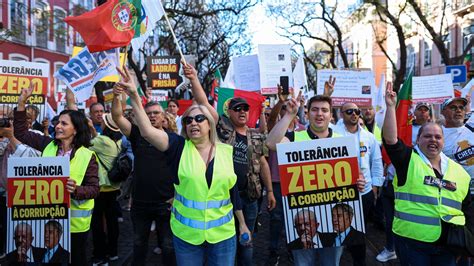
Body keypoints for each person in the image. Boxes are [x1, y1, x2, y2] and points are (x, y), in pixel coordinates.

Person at [113, 65, 251, 266]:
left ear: (210, 123)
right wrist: (134, 95)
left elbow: (232, 193)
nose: (193, 122)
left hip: (223, 236)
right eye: (188, 120)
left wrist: (243, 225)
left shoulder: (225, 148)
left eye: (199, 118)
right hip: (187, 236)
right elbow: (147, 132)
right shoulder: (177, 146)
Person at [184, 64, 276, 266]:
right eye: (237, 108)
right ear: (229, 112)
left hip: (250, 197)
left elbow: (262, 162)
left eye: (245, 109)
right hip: (224, 198)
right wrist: (194, 79)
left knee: (246, 240)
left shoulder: (254, 134)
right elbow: (202, 102)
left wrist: (269, 191)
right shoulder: (221, 128)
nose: (242, 111)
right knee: (223, 242)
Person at [266, 90, 366, 266]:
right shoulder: (295, 137)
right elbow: (270, 143)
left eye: (324, 110)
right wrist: (289, 114)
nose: (319, 114)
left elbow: (356, 173)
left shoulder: (342, 140)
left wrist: (359, 181)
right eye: (315, 109)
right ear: (307, 113)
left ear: (331, 115)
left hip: (333, 222)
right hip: (302, 219)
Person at [382, 82, 474, 265]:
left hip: (448, 245)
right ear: (418, 140)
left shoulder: (459, 172)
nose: (433, 140)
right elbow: (391, 140)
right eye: (427, 136)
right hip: (413, 245)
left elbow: (467, 210)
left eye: (438, 137)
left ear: (443, 141)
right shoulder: (408, 160)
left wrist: (466, 241)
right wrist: (391, 107)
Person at [14, 86, 99, 266]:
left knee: (76, 261)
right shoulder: (47, 144)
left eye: (63, 123)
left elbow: (94, 189)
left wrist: (76, 190)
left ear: (75, 129)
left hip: (75, 227)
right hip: (46, 220)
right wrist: (21, 103)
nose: (57, 126)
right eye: (58, 122)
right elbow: (20, 133)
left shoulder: (88, 156)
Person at [112, 85, 176, 265]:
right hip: (140, 203)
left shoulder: (173, 139)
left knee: (168, 246)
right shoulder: (136, 134)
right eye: (148, 113)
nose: (153, 116)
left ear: (164, 117)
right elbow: (117, 117)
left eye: (156, 113)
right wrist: (116, 97)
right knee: (139, 244)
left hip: (166, 203)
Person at [89, 113, 123, 265]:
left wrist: (89, 128)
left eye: (103, 121)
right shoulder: (119, 141)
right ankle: (113, 252)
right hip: (114, 187)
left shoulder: (102, 140)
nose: (100, 123)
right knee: (112, 222)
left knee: (97, 224)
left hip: (101, 188)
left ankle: (99, 255)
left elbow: (85, 144)